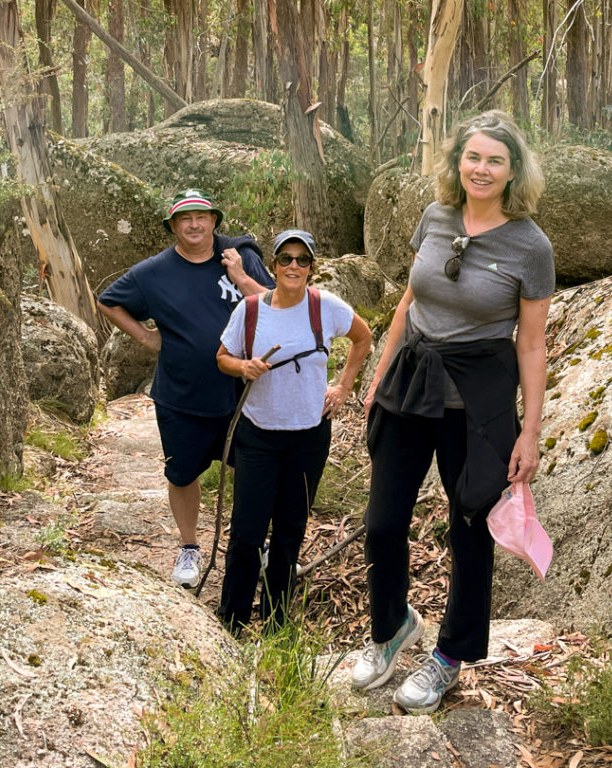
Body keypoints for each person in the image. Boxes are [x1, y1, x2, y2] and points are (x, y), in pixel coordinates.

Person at [350, 110, 554, 714]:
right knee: (383, 522)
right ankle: (391, 629)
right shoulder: (435, 218)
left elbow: (533, 343)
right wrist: (380, 372)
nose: (482, 168)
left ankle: (449, 659)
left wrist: (531, 432)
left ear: (514, 169)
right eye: (473, 157)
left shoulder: (530, 244)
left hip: (478, 404)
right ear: (457, 162)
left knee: (468, 533)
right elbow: (408, 302)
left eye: (495, 159)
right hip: (411, 385)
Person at [97, 188, 274, 589]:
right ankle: (189, 547)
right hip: (181, 394)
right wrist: (145, 337)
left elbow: (277, 302)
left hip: (244, 394)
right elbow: (108, 300)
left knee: (254, 473)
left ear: (214, 221)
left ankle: (258, 545)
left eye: (202, 217)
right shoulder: (153, 272)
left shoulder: (239, 256)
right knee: (182, 474)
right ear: (174, 227)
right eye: (185, 219)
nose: (194, 225)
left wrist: (241, 277)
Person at [215, 229, 372, 635]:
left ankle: (275, 623)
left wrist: (343, 386)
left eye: (303, 260)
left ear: (312, 268)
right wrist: (243, 366)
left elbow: (363, 337)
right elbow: (222, 357)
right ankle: (230, 622)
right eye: (286, 258)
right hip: (258, 434)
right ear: (273, 265)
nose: (294, 267)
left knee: (288, 533)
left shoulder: (326, 307)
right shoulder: (250, 311)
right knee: (248, 533)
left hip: (308, 436)